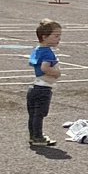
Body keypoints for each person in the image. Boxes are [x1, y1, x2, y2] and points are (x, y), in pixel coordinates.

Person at [26, 19, 62, 147]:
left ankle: (33, 135)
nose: (59, 39)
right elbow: (44, 68)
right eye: (56, 36)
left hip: (35, 87)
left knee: (33, 114)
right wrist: (56, 73)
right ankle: (38, 137)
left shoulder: (38, 49)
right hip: (43, 88)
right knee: (39, 114)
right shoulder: (48, 53)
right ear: (44, 37)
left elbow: (32, 62)